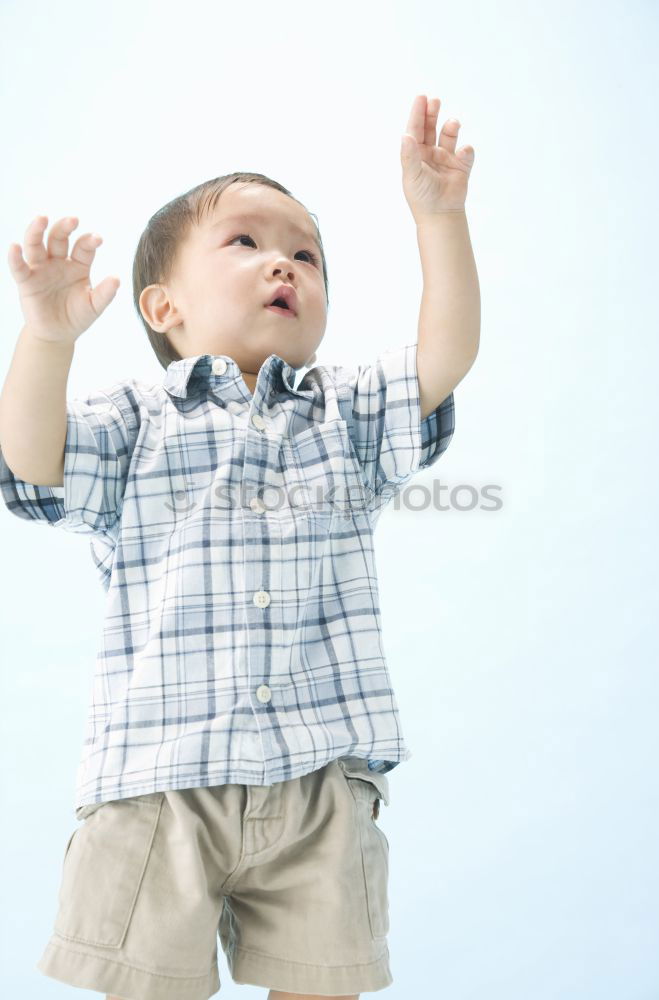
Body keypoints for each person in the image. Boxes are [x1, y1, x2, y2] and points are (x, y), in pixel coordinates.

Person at [0, 95, 479, 1000]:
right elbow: (34, 460)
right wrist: (46, 340)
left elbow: (444, 357)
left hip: (317, 779)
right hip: (159, 775)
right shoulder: (134, 422)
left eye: (306, 255)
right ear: (163, 304)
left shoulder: (346, 414)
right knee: (148, 986)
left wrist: (440, 219)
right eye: (248, 244)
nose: (284, 266)